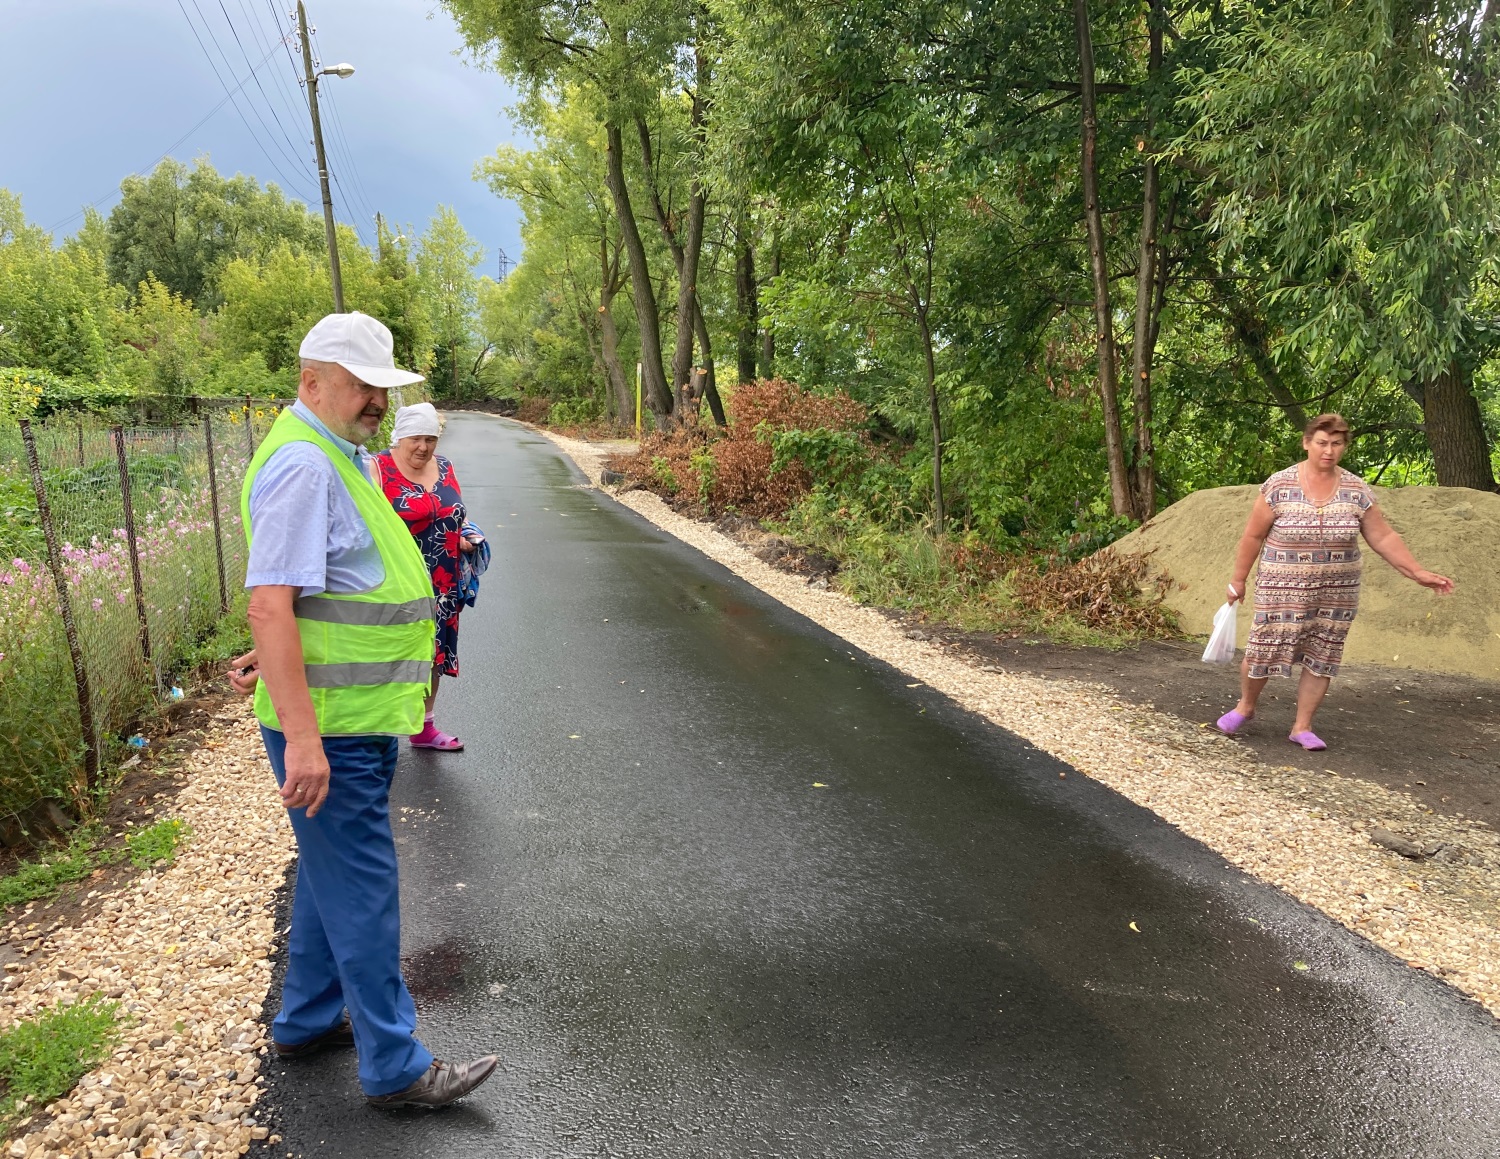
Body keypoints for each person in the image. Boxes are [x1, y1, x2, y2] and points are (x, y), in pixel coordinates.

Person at [225, 312, 496, 1109]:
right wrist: (303, 735)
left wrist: (275, 656)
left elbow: (309, 590)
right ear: (313, 380)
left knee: (331, 874)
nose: (377, 399)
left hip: (352, 718)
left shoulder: (335, 454)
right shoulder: (309, 465)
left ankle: (307, 1018)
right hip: (331, 730)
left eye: (383, 385)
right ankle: (397, 1067)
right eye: (361, 383)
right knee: (367, 887)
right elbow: (271, 603)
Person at [1216, 412, 1454, 751]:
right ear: (1307, 442)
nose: (1329, 450)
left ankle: (1302, 727)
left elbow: (1382, 536)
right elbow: (1253, 536)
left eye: (1337, 443)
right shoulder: (1279, 485)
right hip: (1281, 588)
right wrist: (1237, 580)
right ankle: (1246, 706)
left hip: (1336, 593)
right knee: (1263, 648)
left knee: (1322, 653)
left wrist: (1416, 572)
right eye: (1322, 443)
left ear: (1345, 446)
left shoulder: (1356, 490)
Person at [374, 403, 484, 751]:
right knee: (392, 653)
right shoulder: (377, 468)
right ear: (399, 436)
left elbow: (455, 511)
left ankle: (424, 727)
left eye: (431, 438)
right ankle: (377, 729)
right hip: (396, 583)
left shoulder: (446, 466)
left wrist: (467, 536)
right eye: (416, 438)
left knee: (434, 652)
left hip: (444, 581)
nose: (424, 446)